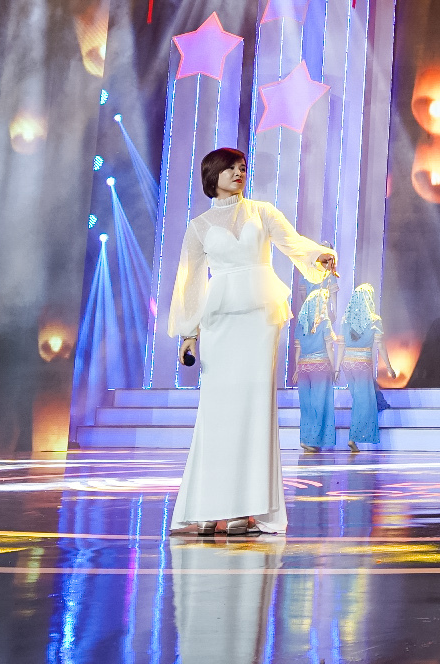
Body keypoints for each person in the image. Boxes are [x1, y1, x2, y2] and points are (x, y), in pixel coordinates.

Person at [167, 146, 337, 537]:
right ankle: (207, 507)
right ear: (213, 175)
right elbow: (190, 282)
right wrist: (189, 333)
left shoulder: (263, 212)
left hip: (260, 316)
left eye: (242, 167)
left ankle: (246, 509)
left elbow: (293, 243)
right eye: (230, 168)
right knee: (217, 410)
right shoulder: (199, 226)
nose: (238, 173)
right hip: (220, 320)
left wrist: (320, 256)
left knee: (255, 408)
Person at [342, 283, 394, 450]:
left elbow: (342, 343)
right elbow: (381, 346)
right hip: (362, 363)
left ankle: (380, 404)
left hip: (347, 363)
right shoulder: (374, 320)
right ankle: (353, 437)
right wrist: (389, 367)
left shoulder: (346, 319)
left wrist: (336, 367)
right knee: (362, 401)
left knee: (361, 397)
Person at [293, 279, 341, 452]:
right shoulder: (324, 322)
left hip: (303, 368)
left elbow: (298, 350)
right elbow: (329, 348)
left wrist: (297, 369)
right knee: (319, 404)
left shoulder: (300, 324)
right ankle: (313, 440)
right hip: (320, 368)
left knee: (306, 405)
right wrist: (334, 369)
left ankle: (304, 438)